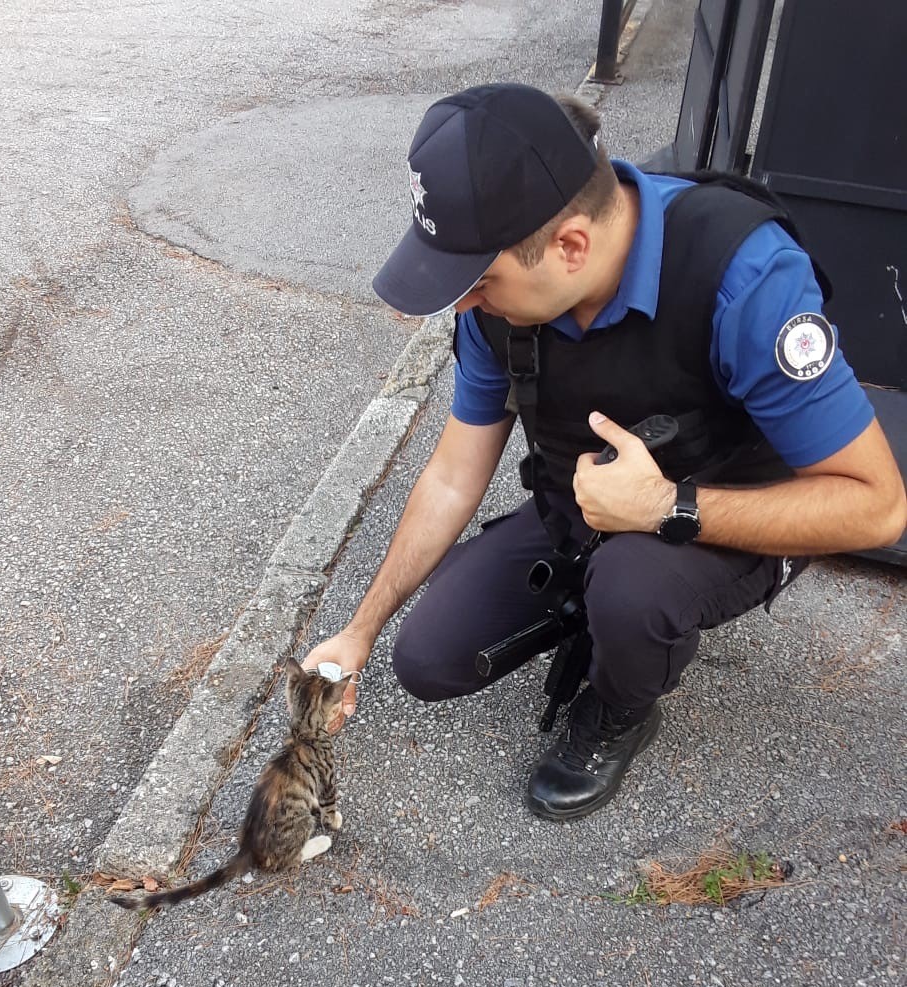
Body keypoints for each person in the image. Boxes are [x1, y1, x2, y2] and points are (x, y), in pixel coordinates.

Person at [303, 83, 906, 821]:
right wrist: (360, 629)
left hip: (734, 508)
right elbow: (455, 473)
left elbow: (877, 507)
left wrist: (666, 508)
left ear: (571, 246)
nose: (465, 304)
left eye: (480, 281)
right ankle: (596, 604)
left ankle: (621, 706)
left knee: (633, 590)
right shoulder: (499, 301)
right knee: (428, 660)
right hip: (584, 502)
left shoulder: (743, 275)